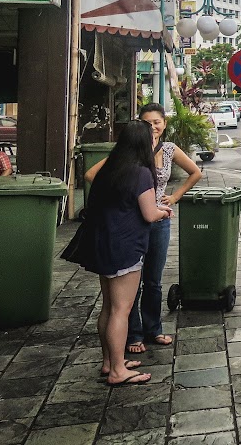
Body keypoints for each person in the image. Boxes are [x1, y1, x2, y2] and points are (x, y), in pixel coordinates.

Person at [87, 104, 203, 354]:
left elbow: (195, 173)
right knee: (130, 284)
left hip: (159, 221)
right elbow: (92, 175)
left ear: (164, 124)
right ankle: (133, 335)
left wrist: (175, 197)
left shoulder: (169, 150)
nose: (153, 128)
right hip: (133, 224)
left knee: (153, 281)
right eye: (147, 123)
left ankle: (154, 328)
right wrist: (120, 199)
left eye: (157, 122)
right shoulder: (130, 152)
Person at [79, 121, 172, 386]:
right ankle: (118, 370)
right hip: (126, 247)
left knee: (109, 306)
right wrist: (164, 212)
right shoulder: (141, 173)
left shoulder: (111, 167)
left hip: (104, 243)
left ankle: (110, 362)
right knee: (122, 309)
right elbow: (149, 213)